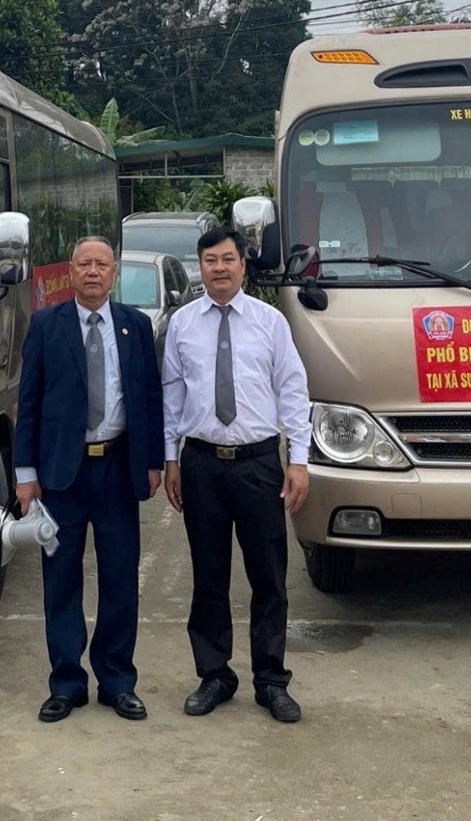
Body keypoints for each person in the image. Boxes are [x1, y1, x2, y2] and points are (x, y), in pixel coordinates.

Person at [163, 225, 311, 724]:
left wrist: (298, 460)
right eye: (210, 261)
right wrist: (170, 459)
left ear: (243, 266)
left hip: (258, 465)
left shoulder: (270, 322)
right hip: (202, 464)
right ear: (200, 268)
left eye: (228, 259)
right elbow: (172, 397)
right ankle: (214, 676)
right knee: (208, 576)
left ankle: (271, 681)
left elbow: (293, 390)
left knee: (268, 576)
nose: (219, 268)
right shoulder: (183, 324)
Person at [15, 235, 165, 723]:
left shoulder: (135, 326)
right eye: (85, 264)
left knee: (120, 578)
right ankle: (66, 683)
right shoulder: (46, 325)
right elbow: (29, 403)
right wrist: (25, 474)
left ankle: (118, 682)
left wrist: (153, 462)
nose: (94, 271)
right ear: (71, 271)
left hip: (118, 468)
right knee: (61, 579)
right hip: (62, 474)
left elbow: (149, 397)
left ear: (114, 272)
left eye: (102, 264)